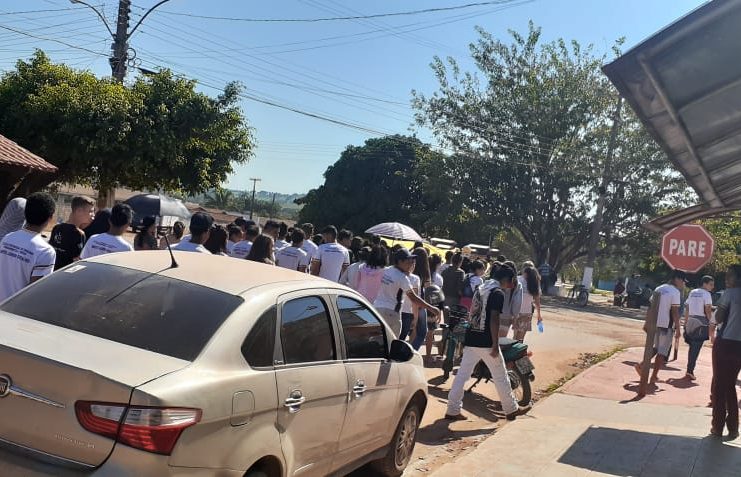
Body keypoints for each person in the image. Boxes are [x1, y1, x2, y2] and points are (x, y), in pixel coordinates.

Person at [445, 265, 531, 421]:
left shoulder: (482, 287)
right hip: (486, 341)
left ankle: (452, 409)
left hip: (471, 338)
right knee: (501, 376)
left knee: (462, 375)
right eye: (512, 280)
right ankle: (511, 409)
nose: (512, 284)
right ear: (508, 279)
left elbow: (473, 312)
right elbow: (494, 318)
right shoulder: (497, 293)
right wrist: (495, 344)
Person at [0, 193, 56, 302]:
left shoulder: (7, 238)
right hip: (14, 309)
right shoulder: (46, 251)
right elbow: (35, 292)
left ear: (25, 213)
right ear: (50, 218)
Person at [634, 270, 686, 384]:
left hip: (655, 323)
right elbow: (675, 312)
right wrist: (678, 328)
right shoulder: (675, 292)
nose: (683, 283)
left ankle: (642, 366)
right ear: (677, 279)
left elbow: (650, 307)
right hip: (667, 326)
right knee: (662, 352)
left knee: (656, 348)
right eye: (683, 281)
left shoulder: (659, 288)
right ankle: (653, 376)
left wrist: (647, 322)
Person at [373, 248, 439, 336]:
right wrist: (432, 308)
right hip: (392, 313)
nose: (411, 264)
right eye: (408, 261)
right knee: (392, 342)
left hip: (377, 310)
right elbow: (414, 298)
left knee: (377, 339)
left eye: (412, 261)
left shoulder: (386, 270)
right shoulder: (403, 278)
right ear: (400, 261)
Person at [711, 265, 741, 439]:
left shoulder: (729, 294)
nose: (726, 279)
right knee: (730, 384)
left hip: (725, 343)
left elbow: (718, 317)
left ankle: (717, 426)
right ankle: (733, 427)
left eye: (730, 276)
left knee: (719, 385)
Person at [49, 195, 95, 270]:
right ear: (79, 211)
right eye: (91, 211)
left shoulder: (56, 228)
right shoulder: (79, 234)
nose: (93, 215)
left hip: (52, 273)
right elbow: (76, 263)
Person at [684, 275, 715, 380]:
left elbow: (687, 307)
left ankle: (689, 369)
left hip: (691, 320)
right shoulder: (707, 294)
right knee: (696, 347)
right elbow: (708, 310)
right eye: (711, 284)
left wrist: (686, 322)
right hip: (701, 322)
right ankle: (690, 370)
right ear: (704, 284)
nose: (712, 287)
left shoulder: (693, 292)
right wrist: (711, 322)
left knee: (692, 346)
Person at [515, 265, 542, 341]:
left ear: (525, 273)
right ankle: (517, 347)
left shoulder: (517, 279)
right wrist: (539, 315)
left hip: (514, 310)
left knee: (515, 334)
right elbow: (537, 301)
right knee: (520, 336)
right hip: (526, 312)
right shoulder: (535, 284)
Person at [498, 263, 523, 337]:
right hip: (506, 316)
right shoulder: (517, 284)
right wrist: (515, 317)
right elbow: (517, 302)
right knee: (501, 340)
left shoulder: (496, 282)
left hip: (493, 314)